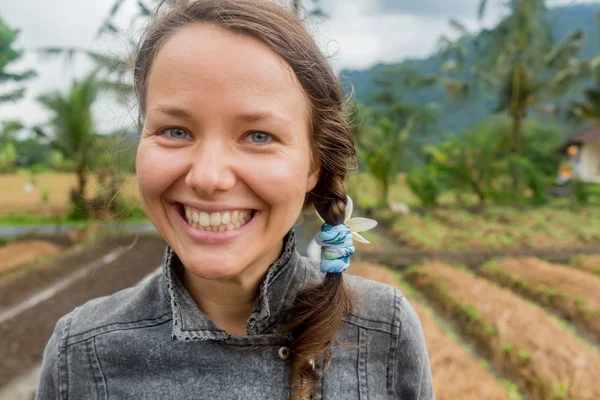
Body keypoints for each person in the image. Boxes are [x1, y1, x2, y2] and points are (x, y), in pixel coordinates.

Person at [36, 0, 434, 398]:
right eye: (175, 131)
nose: (209, 178)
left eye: (258, 136)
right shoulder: (82, 354)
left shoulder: (385, 332)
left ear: (314, 165)